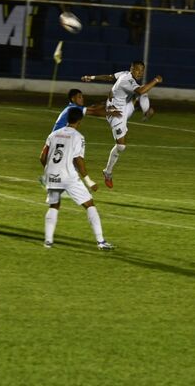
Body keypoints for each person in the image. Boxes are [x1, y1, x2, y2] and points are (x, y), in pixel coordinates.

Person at [39, 107, 114, 250]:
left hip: (51, 175)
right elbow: (78, 160)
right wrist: (89, 181)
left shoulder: (53, 134)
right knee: (89, 204)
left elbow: (42, 157)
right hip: (69, 176)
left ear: (67, 118)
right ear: (80, 120)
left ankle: (48, 242)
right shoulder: (78, 137)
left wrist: (50, 171)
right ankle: (101, 242)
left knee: (54, 205)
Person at [80, 61, 162, 188]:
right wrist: (156, 80)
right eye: (137, 70)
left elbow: (109, 77)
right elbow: (140, 91)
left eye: (142, 71)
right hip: (116, 114)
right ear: (131, 69)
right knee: (121, 146)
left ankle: (145, 111)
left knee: (143, 91)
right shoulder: (127, 80)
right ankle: (107, 172)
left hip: (125, 107)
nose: (139, 73)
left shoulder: (124, 74)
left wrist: (91, 77)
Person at [51, 88, 121, 132]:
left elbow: (93, 107)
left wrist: (106, 103)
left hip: (59, 135)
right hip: (59, 135)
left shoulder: (72, 107)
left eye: (82, 97)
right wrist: (111, 113)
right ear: (73, 99)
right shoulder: (74, 108)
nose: (82, 99)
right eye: (79, 97)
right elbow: (94, 111)